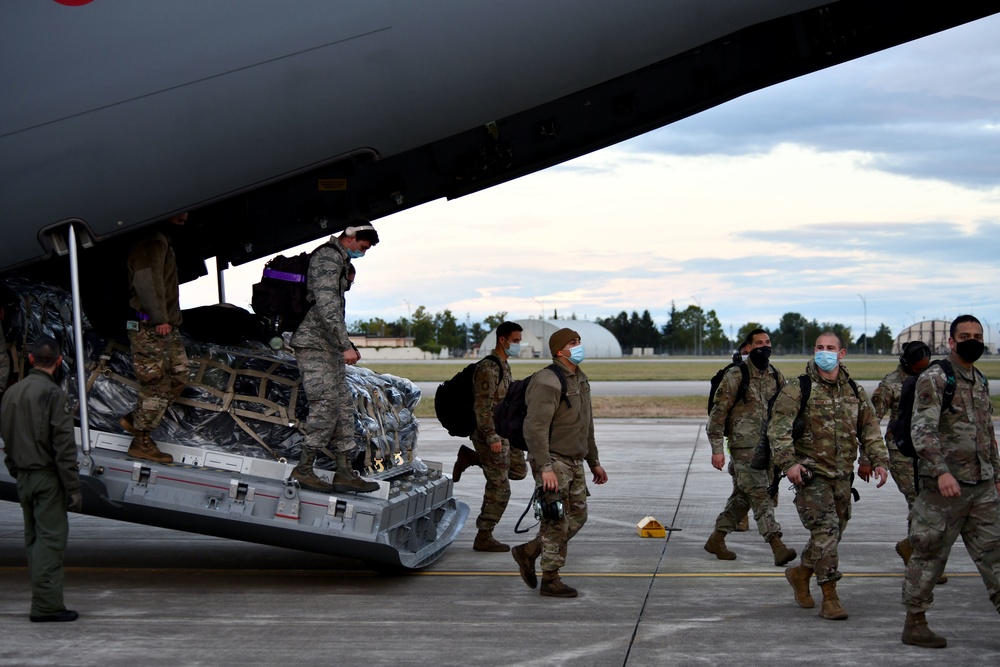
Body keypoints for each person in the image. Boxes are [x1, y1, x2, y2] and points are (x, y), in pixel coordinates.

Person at [768, 331, 889, 620]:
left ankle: (801, 573)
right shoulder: (798, 388)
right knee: (826, 533)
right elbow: (778, 430)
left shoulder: (854, 391)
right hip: (810, 477)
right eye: (820, 347)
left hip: (842, 478)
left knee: (831, 537)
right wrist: (789, 464)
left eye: (830, 348)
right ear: (814, 351)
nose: (825, 352)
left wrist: (878, 460)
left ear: (841, 353)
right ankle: (830, 596)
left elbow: (870, 430)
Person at [901, 315, 1000, 649]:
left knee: (995, 554)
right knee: (929, 556)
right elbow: (922, 429)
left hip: (981, 486)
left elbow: (987, 433)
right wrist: (941, 470)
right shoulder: (936, 377)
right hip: (944, 488)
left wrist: (996, 475)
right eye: (965, 336)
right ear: (952, 342)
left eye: (978, 335)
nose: (973, 340)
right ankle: (915, 623)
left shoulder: (980, 380)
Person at [511, 328, 608, 598]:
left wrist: (594, 461)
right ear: (559, 350)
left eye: (579, 341)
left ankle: (528, 551)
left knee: (578, 516)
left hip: (575, 459)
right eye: (573, 343)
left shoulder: (579, 378)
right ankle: (551, 579)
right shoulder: (547, 381)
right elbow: (535, 429)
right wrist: (545, 468)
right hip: (553, 460)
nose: (579, 346)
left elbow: (585, 425)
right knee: (556, 520)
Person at [290, 222, 381, 494]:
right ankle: (304, 468)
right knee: (326, 404)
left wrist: (347, 343)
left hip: (328, 345)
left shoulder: (340, 260)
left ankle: (344, 472)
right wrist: (344, 345)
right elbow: (326, 304)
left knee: (343, 406)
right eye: (362, 247)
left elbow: (334, 312)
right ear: (351, 237)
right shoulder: (329, 256)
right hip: (313, 344)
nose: (362, 253)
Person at [1, 336, 82, 622]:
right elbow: (63, 446)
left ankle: (43, 600)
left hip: (23, 477)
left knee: (34, 540)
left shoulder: (11, 393)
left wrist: (16, 470)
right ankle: (46, 606)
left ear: (32, 359)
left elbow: (7, 440)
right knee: (51, 541)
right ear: (59, 361)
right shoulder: (54, 395)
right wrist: (72, 488)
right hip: (47, 479)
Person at [705, 329, 795, 566]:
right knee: (760, 494)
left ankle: (717, 538)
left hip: (770, 448)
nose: (764, 347)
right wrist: (717, 449)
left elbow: (786, 413)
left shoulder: (776, 375)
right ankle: (777, 544)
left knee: (743, 498)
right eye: (758, 343)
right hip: (743, 448)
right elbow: (717, 415)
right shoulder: (736, 376)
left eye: (767, 342)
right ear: (747, 347)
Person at [120, 212, 190, 464]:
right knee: (156, 384)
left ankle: (137, 419)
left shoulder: (162, 239)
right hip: (150, 325)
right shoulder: (153, 240)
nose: (185, 215)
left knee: (180, 374)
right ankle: (141, 441)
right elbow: (147, 279)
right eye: (179, 210)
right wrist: (159, 317)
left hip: (165, 325)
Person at [455, 321, 528, 552]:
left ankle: (472, 457)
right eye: (515, 341)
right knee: (500, 487)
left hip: (505, 430)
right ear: (502, 340)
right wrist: (491, 437)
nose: (518, 345)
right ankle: (484, 535)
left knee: (519, 470)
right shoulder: (488, 368)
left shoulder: (504, 365)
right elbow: (482, 407)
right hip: (490, 432)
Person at [870, 340, 937, 574]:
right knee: (918, 502)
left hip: (927, 451)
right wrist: (869, 458)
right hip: (901, 453)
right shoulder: (890, 384)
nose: (922, 371)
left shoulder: (931, 378)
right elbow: (870, 422)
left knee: (931, 503)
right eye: (918, 368)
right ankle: (917, 557)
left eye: (925, 367)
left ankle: (910, 546)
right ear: (907, 363)